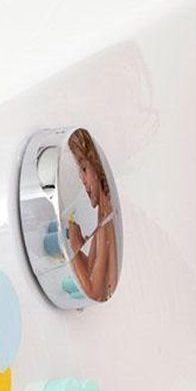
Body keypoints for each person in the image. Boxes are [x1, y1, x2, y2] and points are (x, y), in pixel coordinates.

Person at [65, 128, 119, 302]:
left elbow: (94, 291)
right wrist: (76, 247)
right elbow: (91, 269)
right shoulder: (103, 216)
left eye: (84, 169)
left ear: (96, 165)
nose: (82, 180)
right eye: (80, 172)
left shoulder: (106, 223)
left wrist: (74, 247)